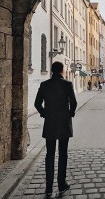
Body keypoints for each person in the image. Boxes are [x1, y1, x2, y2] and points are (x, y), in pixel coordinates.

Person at [34, 61, 77, 197]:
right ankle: (61, 184)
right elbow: (74, 102)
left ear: (52, 70)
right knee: (63, 154)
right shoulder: (67, 84)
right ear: (62, 71)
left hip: (50, 123)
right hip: (64, 123)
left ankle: (48, 187)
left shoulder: (44, 85)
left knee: (50, 155)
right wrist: (70, 113)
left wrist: (44, 113)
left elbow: (37, 103)